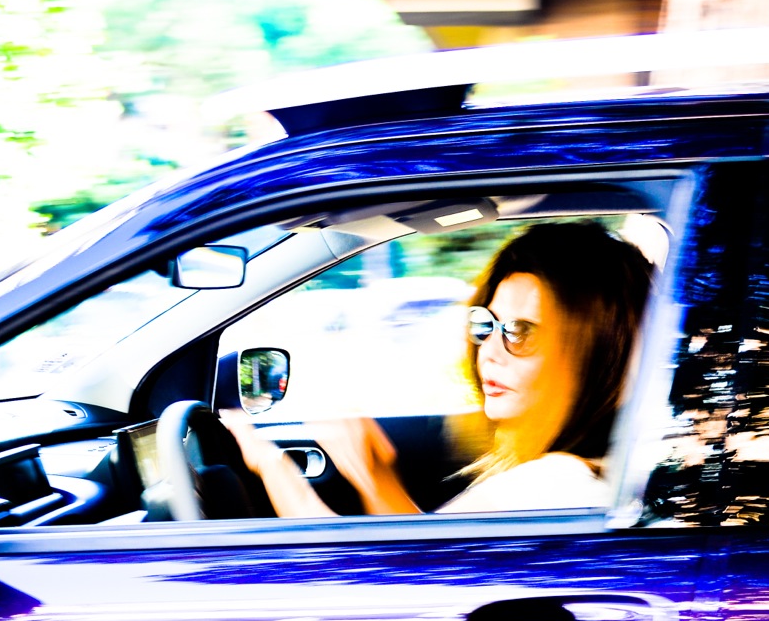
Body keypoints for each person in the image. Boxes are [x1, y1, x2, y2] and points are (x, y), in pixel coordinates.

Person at [221, 219, 653, 518]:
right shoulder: (589, 471)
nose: (489, 352)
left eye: (521, 332)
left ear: (594, 355)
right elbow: (422, 554)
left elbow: (386, 583)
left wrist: (269, 462)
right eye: (486, 325)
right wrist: (376, 477)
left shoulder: (556, 483)